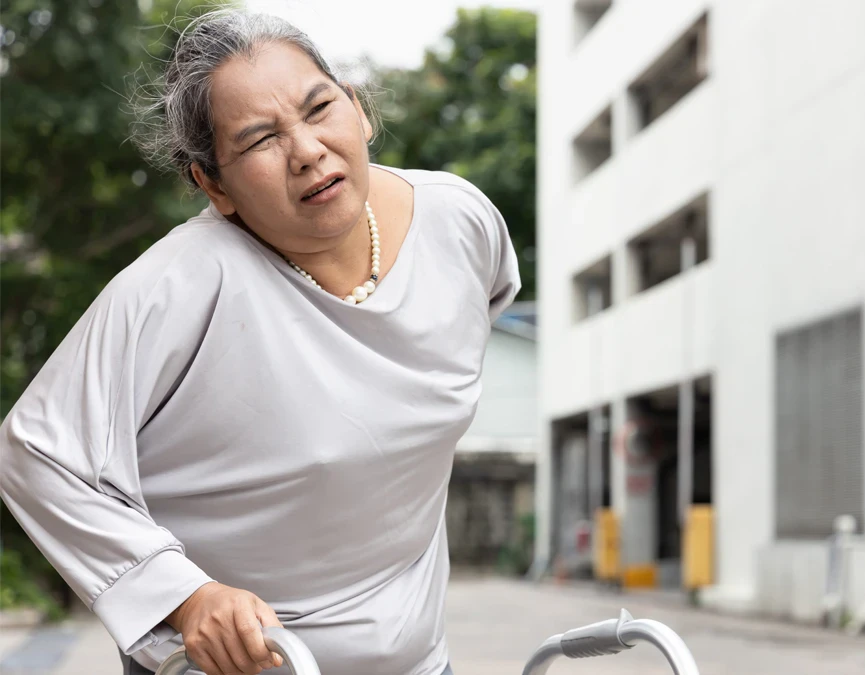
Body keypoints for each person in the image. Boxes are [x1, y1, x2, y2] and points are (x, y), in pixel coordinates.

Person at [0, 9, 520, 675]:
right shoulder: (177, 286)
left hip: (419, 659)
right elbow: (37, 450)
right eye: (259, 140)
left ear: (358, 111)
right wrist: (185, 597)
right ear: (213, 185)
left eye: (320, 108)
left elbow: (478, 311)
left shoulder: (461, 222)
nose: (307, 150)